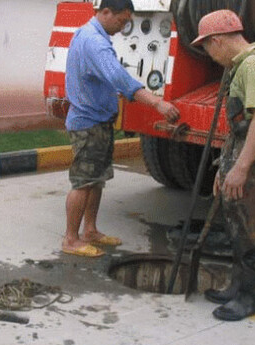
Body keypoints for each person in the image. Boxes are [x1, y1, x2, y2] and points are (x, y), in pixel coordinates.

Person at [191, 9, 255, 321]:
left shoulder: (254, 67)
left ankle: (248, 299)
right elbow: (239, 127)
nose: (209, 54)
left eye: (206, 47)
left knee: (254, 235)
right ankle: (237, 287)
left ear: (216, 41)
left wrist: (242, 167)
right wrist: (226, 166)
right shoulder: (241, 66)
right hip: (246, 156)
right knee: (238, 230)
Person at [63, 0, 180, 258]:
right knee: (83, 182)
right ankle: (71, 239)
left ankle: (90, 231)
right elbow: (119, 78)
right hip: (88, 123)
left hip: (99, 121)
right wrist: (157, 103)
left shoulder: (93, 35)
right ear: (105, 12)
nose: (124, 26)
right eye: (122, 21)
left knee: (97, 179)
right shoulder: (95, 42)